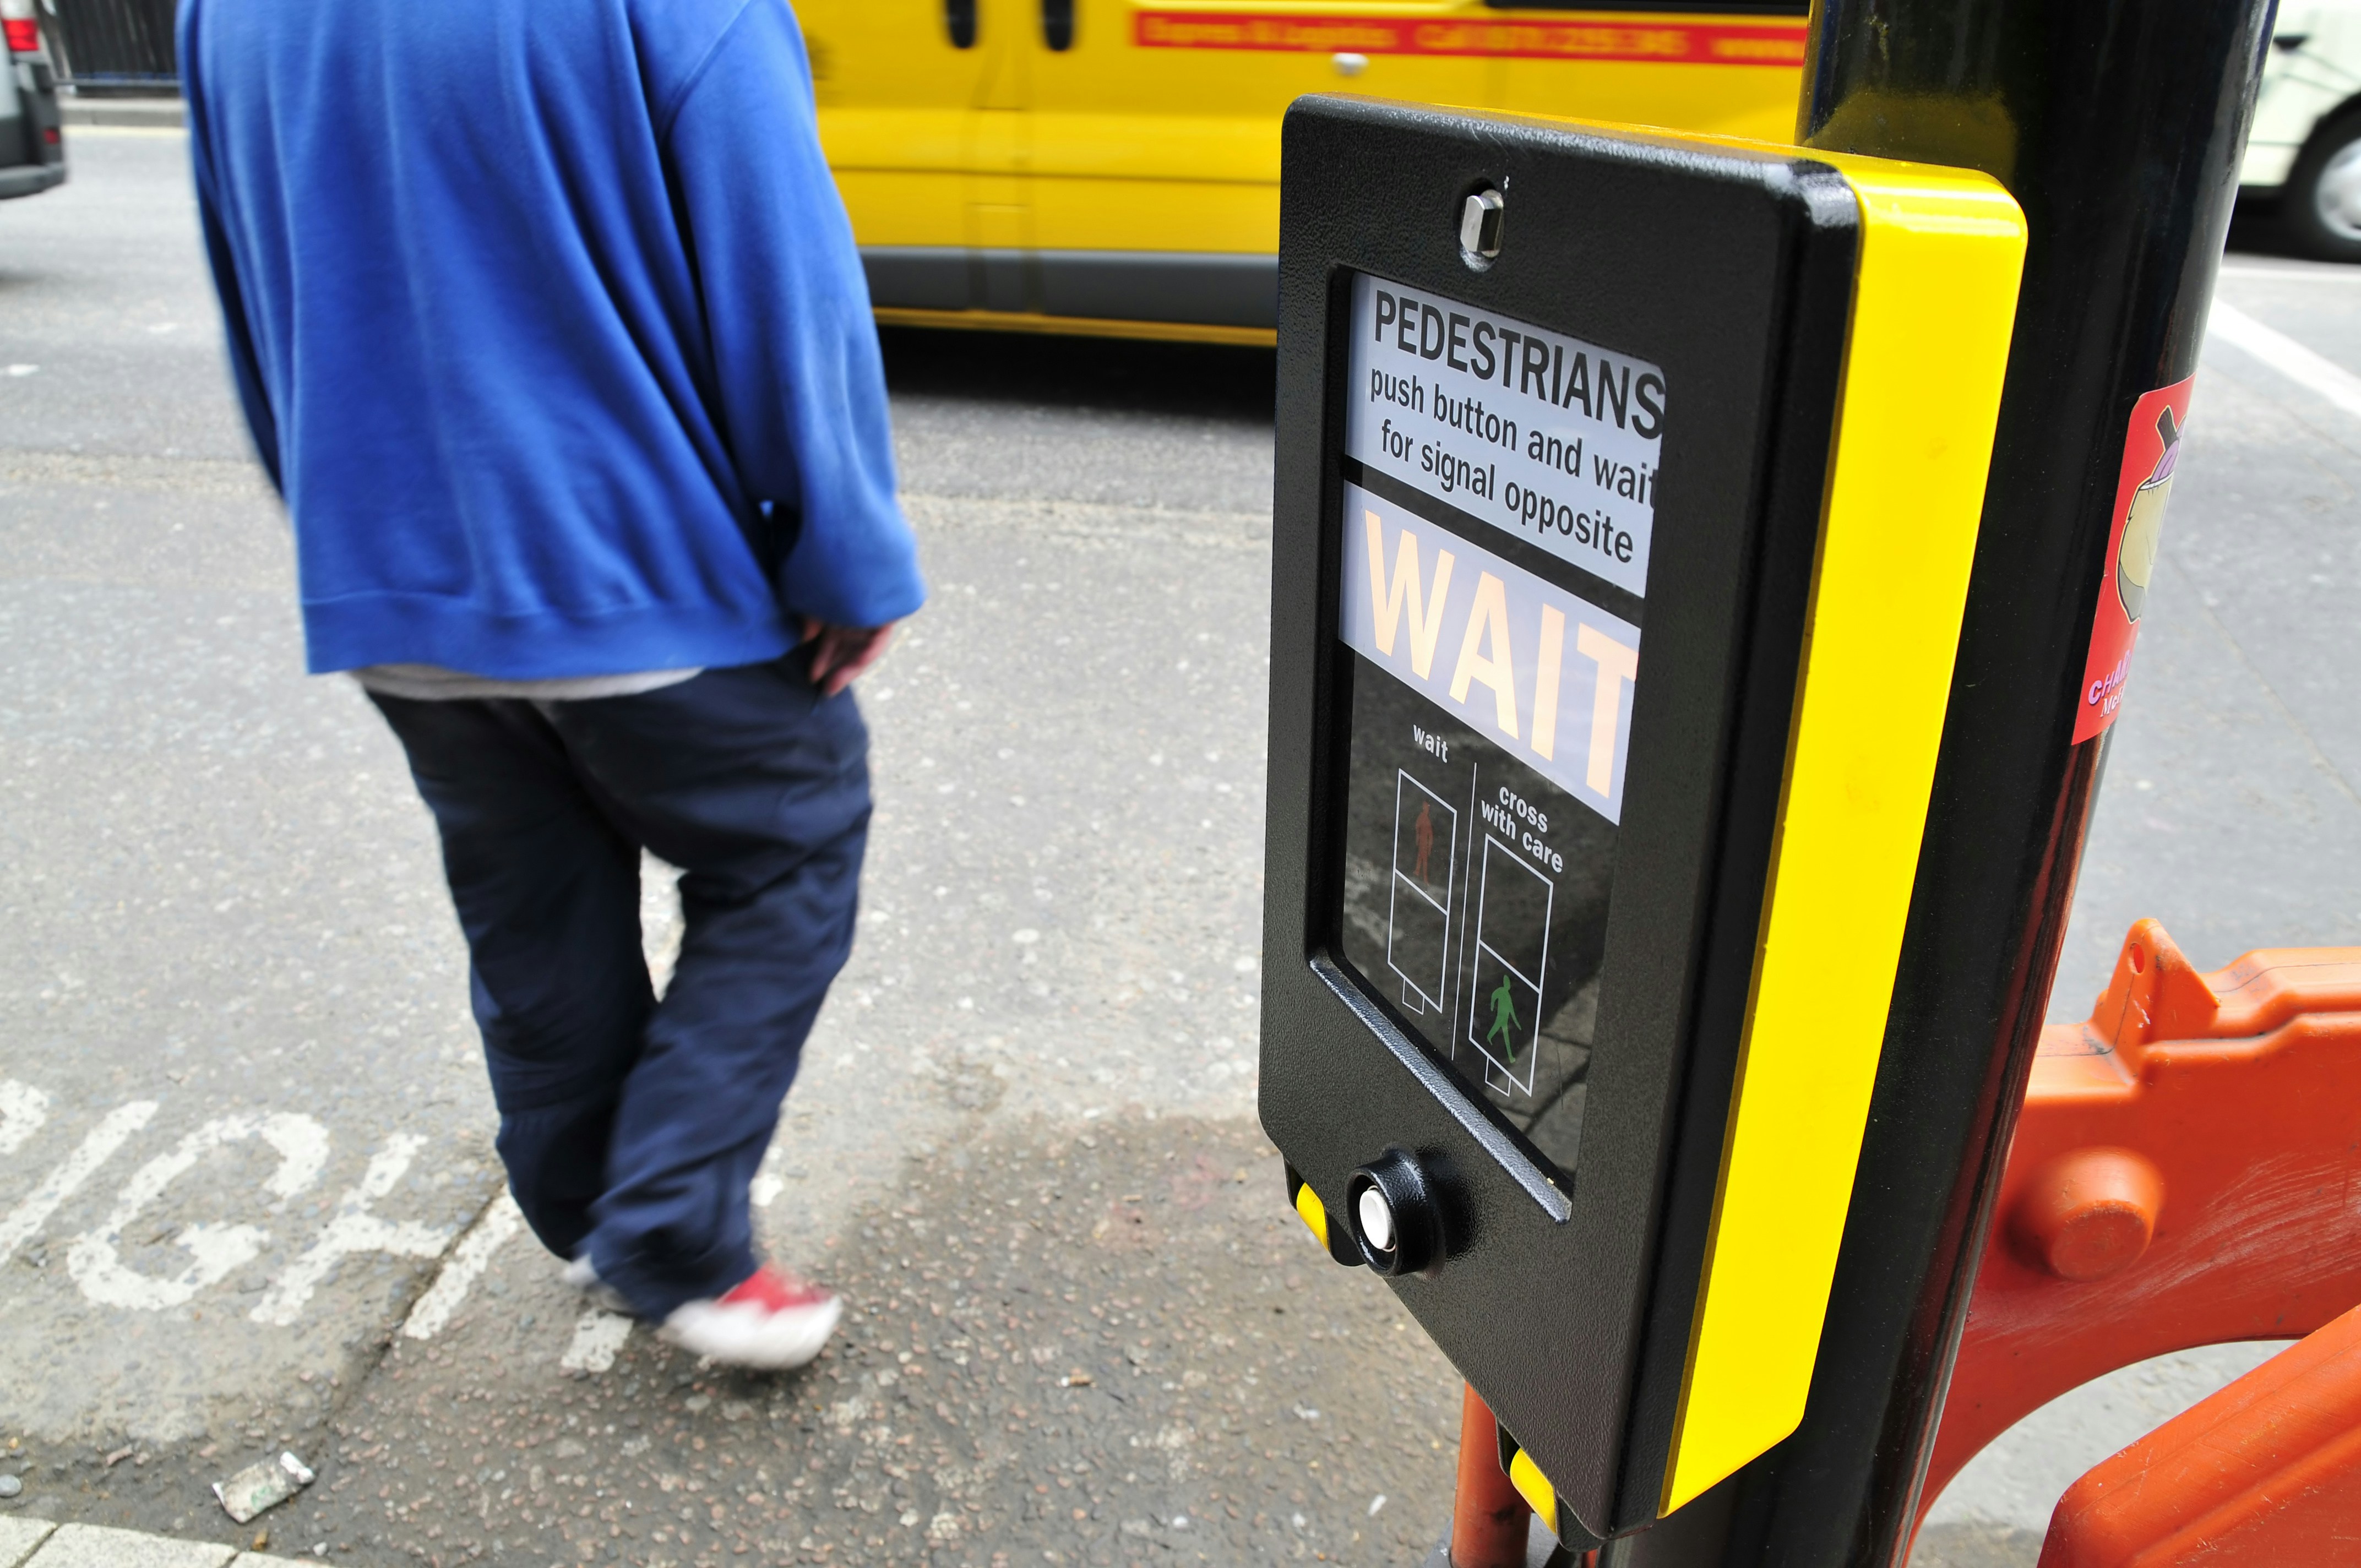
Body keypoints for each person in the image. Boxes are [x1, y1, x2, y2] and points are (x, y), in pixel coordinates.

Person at [177, 0, 922, 1369]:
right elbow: (779, 273)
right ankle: (677, 1232)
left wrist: (338, 529)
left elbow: (248, 280)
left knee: (530, 900)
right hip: (629, 559)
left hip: (393, 574)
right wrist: (844, 553)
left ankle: (584, 1210)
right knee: (787, 848)